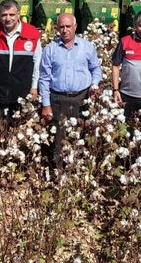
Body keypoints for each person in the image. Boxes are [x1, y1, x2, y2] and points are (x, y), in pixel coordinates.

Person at [38, 13, 102, 169]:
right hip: (58, 99)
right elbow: (44, 78)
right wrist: (46, 104)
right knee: (59, 139)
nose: (65, 30)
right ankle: (58, 174)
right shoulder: (50, 49)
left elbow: (96, 69)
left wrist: (94, 85)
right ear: (57, 28)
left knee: (81, 136)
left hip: (81, 99)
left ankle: (78, 172)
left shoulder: (87, 47)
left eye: (68, 26)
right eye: (61, 27)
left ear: (75, 27)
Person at [0, 0, 42, 125]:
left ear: (19, 14)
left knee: (18, 131)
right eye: (4, 15)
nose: (8, 18)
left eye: (11, 14)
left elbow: (37, 63)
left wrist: (34, 86)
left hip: (22, 93)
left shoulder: (32, 33)